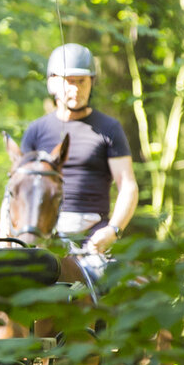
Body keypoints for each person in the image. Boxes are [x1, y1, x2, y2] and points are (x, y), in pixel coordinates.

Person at [18, 43, 138, 256]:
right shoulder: (36, 131)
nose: (76, 89)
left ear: (92, 82)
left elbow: (127, 185)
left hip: (92, 236)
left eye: (82, 82)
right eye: (69, 82)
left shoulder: (109, 129)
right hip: (43, 235)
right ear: (53, 82)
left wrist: (113, 230)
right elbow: (18, 189)